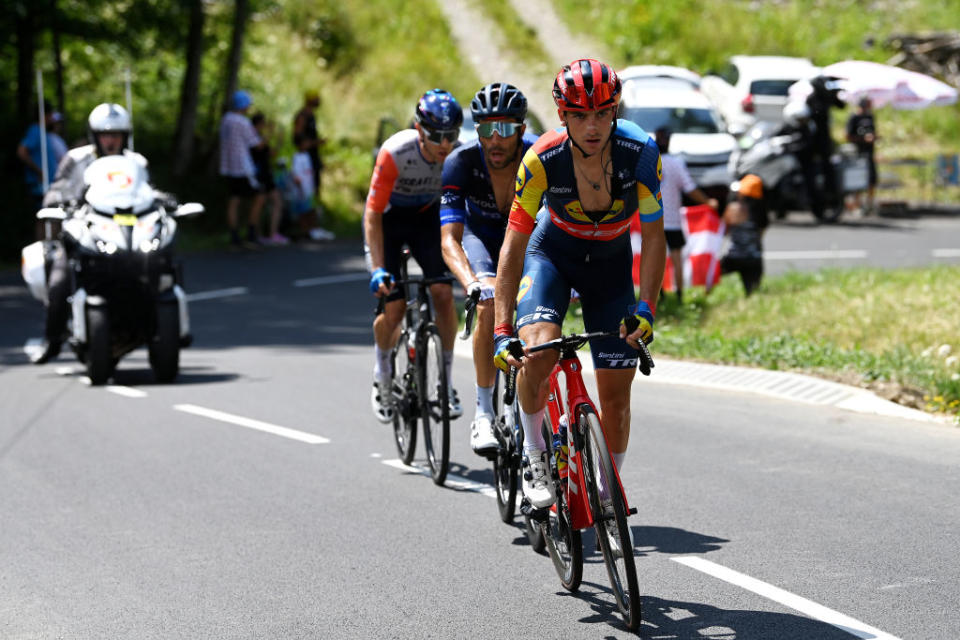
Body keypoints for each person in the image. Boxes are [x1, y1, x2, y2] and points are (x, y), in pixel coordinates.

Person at [493, 59, 665, 508]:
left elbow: (653, 236)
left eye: (603, 114)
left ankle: (609, 490)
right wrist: (501, 328)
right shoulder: (541, 160)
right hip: (553, 257)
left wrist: (647, 308)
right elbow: (513, 245)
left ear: (615, 111)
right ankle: (533, 452)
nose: (593, 126)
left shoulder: (641, 153)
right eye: (580, 116)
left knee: (616, 395)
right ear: (563, 117)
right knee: (539, 351)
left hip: (610, 268)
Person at [440, 82, 538, 455]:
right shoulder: (461, 162)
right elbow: (450, 238)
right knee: (487, 303)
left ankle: (530, 414)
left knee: (534, 315)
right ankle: (483, 413)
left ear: (522, 131)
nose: (495, 140)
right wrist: (469, 282)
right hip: (480, 240)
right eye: (486, 129)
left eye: (506, 129)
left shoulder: (538, 159)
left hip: (525, 240)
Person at [365, 89, 464, 423]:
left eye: (451, 135)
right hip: (389, 223)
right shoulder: (396, 151)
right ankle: (381, 373)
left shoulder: (456, 156)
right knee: (393, 309)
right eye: (437, 136)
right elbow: (373, 214)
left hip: (426, 220)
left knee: (443, 295)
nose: (444, 144)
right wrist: (378, 268)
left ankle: (446, 383)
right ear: (420, 130)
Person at [32, 103, 149, 364]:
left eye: (116, 134)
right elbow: (56, 189)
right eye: (106, 134)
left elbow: (148, 191)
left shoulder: (136, 162)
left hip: (127, 233)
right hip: (83, 232)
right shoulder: (76, 158)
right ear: (95, 134)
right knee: (59, 281)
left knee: (155, 266)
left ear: (125, 136)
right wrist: (60, 200)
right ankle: (52, 340)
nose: (111, 140)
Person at [654, 126, 718, 304]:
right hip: (672, 220)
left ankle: (660, 294)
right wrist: (708, 202)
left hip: (652, 219)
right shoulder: (676, 163)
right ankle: (679, 294)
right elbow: (689, 188)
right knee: (676, 259)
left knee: (655, 259)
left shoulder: (649, 161)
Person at [219, 89, 265, 247]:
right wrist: (267, 136)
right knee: (259, 197)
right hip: (242, 167)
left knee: (234, 200)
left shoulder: (225, 119)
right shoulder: (242, 122)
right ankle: (251, 234)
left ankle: (234, 237)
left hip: (228, 166)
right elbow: (256, 144)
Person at [17, 101, 66, 224]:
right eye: (50, 115)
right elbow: (22, 151)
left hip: (48, 183)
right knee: (44, 218)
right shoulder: (35, 130)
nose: (52, 118)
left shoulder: (43, 132)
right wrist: (38, 170)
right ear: (45, 115)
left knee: (48, 218)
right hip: (40, 184)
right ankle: (44, 242)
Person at [804, 75, 845, 220]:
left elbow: (841, 105)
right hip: (812, 141)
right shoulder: (812, 99)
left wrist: (835, 93)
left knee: (828, 169)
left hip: (823, 141)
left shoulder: (826, 97)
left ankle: (830, 192)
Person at [720, 175, 765, 296]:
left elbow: (723, 230)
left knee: (712, 275)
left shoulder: (733, 208)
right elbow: (760, 235)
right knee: (752, 293)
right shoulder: (760, 212)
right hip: (754, 258)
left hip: (733, 256)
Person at [249, 112, 289, 245]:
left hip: (267, 175)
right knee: (260, 204)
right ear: (259, 124)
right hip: (259, 175)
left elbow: (271, 153)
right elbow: (259, 148)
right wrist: (270, 133)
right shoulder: (252, 137)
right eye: (263, 124)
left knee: (276, 202)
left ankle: (271, 234)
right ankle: (258, 234)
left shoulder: (260, 137)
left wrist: (279, 141)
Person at [292, 89, 325, 205]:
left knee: (316, 184)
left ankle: (314, 210)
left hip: (313, 156)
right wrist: (313, 143)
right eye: (316, 98)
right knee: (307, 187)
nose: (319, 100)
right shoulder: (302, 115)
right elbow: (297, 138)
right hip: (305, 159)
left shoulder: (311, 115)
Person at [846, 96, 877, 214]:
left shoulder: (870, 116)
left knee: (872, 180)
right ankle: (855, 204)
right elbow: (848, 136)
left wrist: (874, 138)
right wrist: (863, 139)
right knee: (857, 179)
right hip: (858, 153)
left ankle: (869, 204)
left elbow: (873, 132)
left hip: (869, 153)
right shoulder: (854, 117)